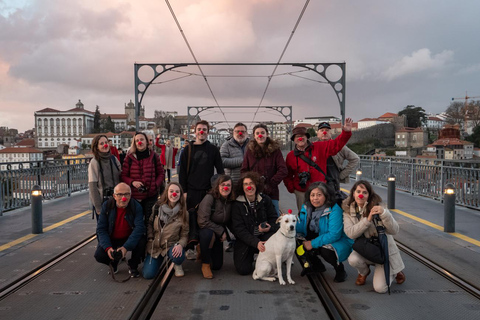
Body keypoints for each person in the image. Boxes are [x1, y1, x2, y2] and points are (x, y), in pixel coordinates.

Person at [343, 180, 406, 293]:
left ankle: (395, 271)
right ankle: (364, 272)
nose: (361, 195)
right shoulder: (348, 211)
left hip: (382, 249)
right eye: (358, 191)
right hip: (365, 248)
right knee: (353, 259)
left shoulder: (379, 207)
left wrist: (384, 214)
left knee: (380, 288)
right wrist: (367, 220)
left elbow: (394, 230)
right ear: (353, 193)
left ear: (369, 195)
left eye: (364, 192)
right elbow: (350, 233)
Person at [284, 120, 353, 211]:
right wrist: (292, 188)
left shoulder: (319, 147)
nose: (300, 138)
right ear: (294, 140)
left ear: (307, 137)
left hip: (319, 190)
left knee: (321, 215)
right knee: (304, 217)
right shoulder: (290, 156)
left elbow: (336, 145)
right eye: (297, 137)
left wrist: (346, 132)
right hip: (301, 192)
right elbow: (287, 174)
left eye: (302, 136)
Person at [296, 182, 353, 282]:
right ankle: (317, 265)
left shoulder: (334, 209)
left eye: (319, 195)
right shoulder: (306, 206)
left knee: (326, 251)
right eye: (312, 195)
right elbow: (302, 226)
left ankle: (340, 270)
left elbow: (334, 234)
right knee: (293, 240)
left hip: (336, 240)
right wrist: (289, 223)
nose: (315, 198)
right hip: (316, 237)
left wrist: (312, 243)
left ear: (326, 196)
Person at [231, 171, 279, 275]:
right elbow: (239, 230)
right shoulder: (237, 205)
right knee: (243, 270)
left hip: (264, 237)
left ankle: (271, 260)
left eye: (251, 183)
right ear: (242, 187)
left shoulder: (265, 200)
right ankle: (254, 256)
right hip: (246, 239)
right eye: (246, 184)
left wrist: (269, 228)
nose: (249, 187)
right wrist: (255, 242)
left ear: (256, 185)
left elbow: (275, 220)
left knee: (273, 238)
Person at [94, 182, 146, 277]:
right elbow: (101, 229)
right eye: (120, 194)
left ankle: (133, 265)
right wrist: (108, 248)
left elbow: (139, 228)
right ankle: (113, 262)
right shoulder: (107, 206)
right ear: (114, 196)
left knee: (141, 241)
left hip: (128, 237)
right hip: (112, 238)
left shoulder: (136, 206)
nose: (124, 198)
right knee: (99, 255)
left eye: (126, 194)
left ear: (130, 195)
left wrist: (126, 247)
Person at [143, 182, 189, 278]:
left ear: (180, 194)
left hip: (171, 246)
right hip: (156, 247)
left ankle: (177, 264)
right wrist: (150, 238)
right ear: (167, 193)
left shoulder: (184, 212)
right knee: (148, 275)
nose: (174, 194)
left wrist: (180, 244)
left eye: (177, 192)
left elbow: (184, 234)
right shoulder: (157, 207)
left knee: (178, 256)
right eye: (171, 191)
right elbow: (150, 224)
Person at [241, 123, 287, 215]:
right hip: (254, 191)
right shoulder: (249, 152)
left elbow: (283, 169)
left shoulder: (275, 151)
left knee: (274, 216)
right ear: (254, 136)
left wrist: (271, 184)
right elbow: (244, 170)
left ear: (267, 134)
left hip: (272, 192)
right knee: (255, 218)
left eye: (262, 132)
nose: (260, 135)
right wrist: (252, 183)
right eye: (257, 133)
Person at [178, 120, 224, 211]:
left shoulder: (213, 149)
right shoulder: (188, 149)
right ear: (195, 132)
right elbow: (182, 171)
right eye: (199, 129)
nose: (201, 131)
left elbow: (220, 170)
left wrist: (218, 189)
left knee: (205, 219)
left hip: (208, 191)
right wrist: (184, 191)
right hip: (191, 191)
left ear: (207, 132)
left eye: (204, 129)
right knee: (191, 219)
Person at [121, 132, 165, 224]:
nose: (139, 142)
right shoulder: (129, 158)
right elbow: (123, 176)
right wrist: (132, 182)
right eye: (137, 140)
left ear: (146, 141)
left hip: (151, 196)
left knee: (150, 222)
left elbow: (161, 173)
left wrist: (155, 185)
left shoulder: (154, 156)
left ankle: (150, 238)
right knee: (137, 222)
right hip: (135, 197)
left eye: (141, 140)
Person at [197, 174, 235, 279]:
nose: (225, 187)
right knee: (208, 235)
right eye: (223, 185)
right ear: (218, 186)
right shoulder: (210, 198)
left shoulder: (230, 201)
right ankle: (205, 264)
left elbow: (231, 221)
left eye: (228, 185)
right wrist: (222, 231)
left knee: (217, 266)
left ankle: (205, 251)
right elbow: (202, 221)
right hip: (206, 229)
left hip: (218, 232)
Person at [220, 122, 249, 252]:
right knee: (230, 215)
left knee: (247, 214)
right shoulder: (227, 145)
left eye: (242, 131)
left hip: (249, 185)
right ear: (233, 133)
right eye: (237, 131)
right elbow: (222, 161)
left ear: (246, 132)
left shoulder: (252, 145)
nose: (240, 133)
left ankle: (246, 239)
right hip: (233, 185)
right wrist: (242, 161)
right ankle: (232, 240)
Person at [317, 121, 359, 197]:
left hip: (333, 184)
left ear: (331, 133)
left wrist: (341, 175)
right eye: (322, 130)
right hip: (317, 183)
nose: (324, 132)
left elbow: (355, 159)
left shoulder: (339, 147)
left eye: (327, 130)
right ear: (318, 134)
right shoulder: (313, 147)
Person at [88, 134, 121, 220]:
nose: (105, 145)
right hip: (103, 202)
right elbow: (93, 186)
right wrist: (98, 208)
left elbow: (121, 175)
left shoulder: (113, 159)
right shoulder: (94, 162)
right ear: (97, 147)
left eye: (106, 142)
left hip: (117, 200)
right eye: (101, 143)